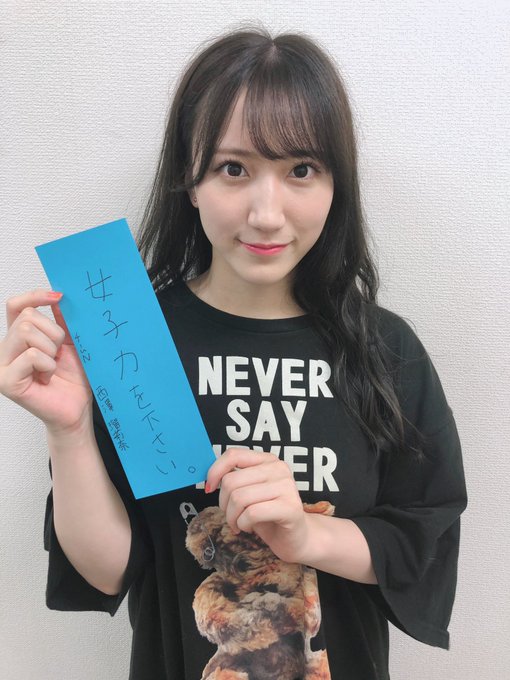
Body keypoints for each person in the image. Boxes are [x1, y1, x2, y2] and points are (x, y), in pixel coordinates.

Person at [0, 25, 467, 680]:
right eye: (233, 169)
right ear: (190, 182)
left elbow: (419, 541)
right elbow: (110, 570)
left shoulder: (386, 350)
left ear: (336, 185)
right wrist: (68, 429)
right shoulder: (132, 342)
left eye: (301, 170)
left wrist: (304, 535)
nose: (266, 213)